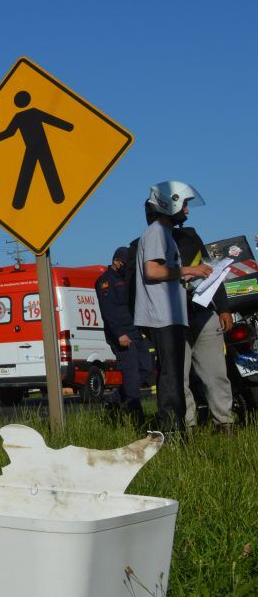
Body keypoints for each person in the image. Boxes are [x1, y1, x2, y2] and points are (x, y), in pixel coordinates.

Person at [133, 181, 214, 434]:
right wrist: (190, 269)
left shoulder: (163, 232)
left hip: (169, 316)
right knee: (171, 376)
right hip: (162, 317)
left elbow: (162, 272)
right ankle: (171, 433)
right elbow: (152, 270)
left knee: (175, 375)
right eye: (185, 205)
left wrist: (184, 277)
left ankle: (175, 429)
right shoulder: (157, 231)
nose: (187, 211)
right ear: (172, 203)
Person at [174, 225, 235, 433]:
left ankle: (225, 423)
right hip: (173, 320)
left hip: (203, 313)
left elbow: (213, 273)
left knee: (216, 373)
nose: (187, 211)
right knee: (178, 378)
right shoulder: (149, 244)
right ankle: (187, 428)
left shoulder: (190, 237)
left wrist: (224, 309)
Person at [96, 246, 153, 422]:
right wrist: (119, 333)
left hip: (135, 330)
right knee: (131, 374)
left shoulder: (127, 278)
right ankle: (136, 416)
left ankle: (113, 400)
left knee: (146, 367)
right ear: (116, 262)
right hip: (121, 335)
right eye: (125, 264)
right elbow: (108, 311)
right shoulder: (105, 281)